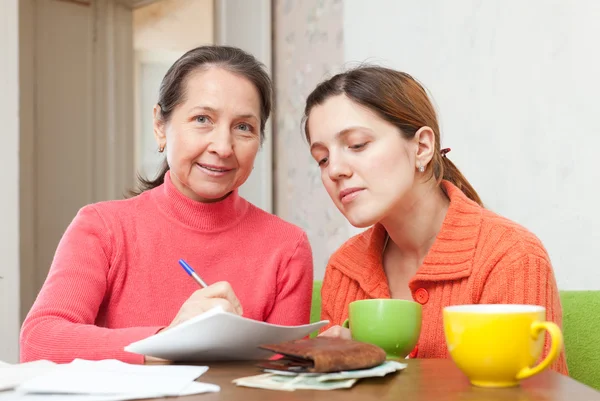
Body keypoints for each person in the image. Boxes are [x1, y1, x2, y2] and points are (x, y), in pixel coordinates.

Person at [20, 45, 313, 364]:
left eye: (243, 127)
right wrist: (170, 341)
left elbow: (287, 377)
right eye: (202, 119)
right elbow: (39, 342)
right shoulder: (102, 227)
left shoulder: (287, 247)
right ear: (161, 125)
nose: (223, 147)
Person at [303, 66, 567, 374]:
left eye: (358, 144)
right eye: (322, 158)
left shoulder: (511, 257)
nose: (334, 169)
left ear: (422, 147)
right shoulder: (345, 269)